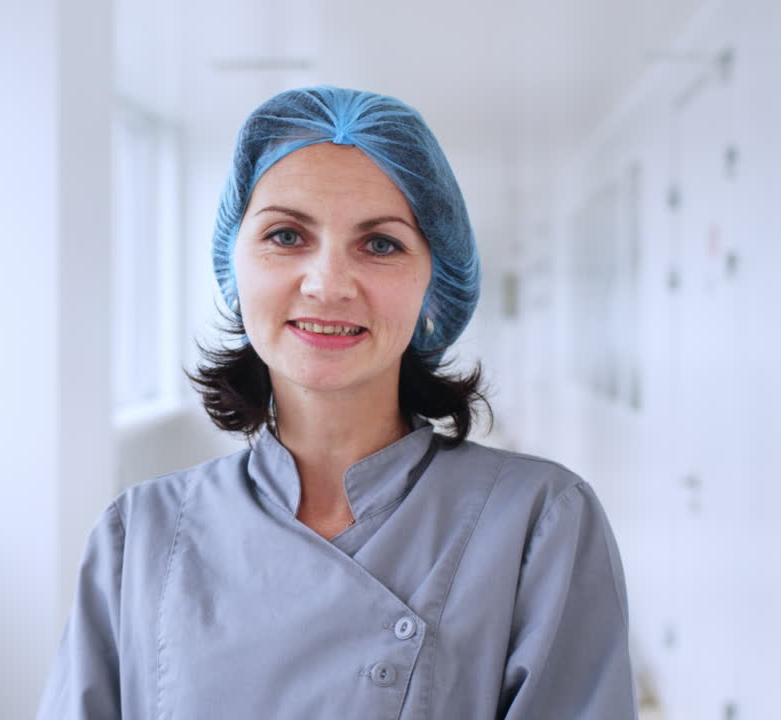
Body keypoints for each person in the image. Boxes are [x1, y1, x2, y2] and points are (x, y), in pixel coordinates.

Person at [36, 86, 636, 719]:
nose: (327, 283)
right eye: (287, 234)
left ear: (435, 283)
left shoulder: (537, 523)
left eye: (380, 244)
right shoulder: (141, 533)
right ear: (232, 268)